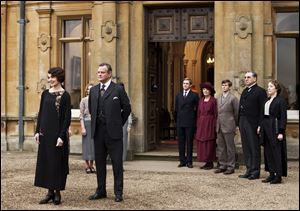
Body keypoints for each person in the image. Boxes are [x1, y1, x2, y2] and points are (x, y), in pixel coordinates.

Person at [88, 63, 131, 202]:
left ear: (109, 74)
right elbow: (91, 109)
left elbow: (127, 108)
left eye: (102, 72)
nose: (99, 74)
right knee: (99, 164)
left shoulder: (117, 89)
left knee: (117, 164)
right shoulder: (94, 90)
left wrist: (118, 124)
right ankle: (101, 190)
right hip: (98, 132)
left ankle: (118, 193)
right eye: (98, 72)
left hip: (114, 133)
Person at [34, 67, 71, 205]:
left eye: (51, 77)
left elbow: (66, 118)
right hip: (45, 135)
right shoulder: (45, 94)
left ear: (59, 77)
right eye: (48, 77)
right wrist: (37, 132)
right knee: (46, 163)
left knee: (57, 164)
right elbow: (41, 113)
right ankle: (49, 192)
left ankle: (57, 193)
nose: (49, 80)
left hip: (57, 135)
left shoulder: (65, 95)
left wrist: (62, 136)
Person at [238, 71, 267, 180]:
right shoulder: (245, 91)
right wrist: (238, 123)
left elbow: (262, 110)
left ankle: (255, 172)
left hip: (253, 123)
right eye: (245, 77)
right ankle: (249, 170)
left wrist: (260, 125)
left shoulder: (260, 92)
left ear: (255, 78)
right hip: (243, 121)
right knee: (246, 147)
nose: (246, 79)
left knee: (254, 147)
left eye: (248, 77)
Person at [260, 80, 288, 184]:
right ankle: (271, 174)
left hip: (275, 127)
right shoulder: (266, 100)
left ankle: (278, 175)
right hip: (266, 126)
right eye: (268, 86)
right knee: (268, 151)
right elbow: (262, 115)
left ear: (276, 88)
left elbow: (283, 117)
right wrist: (260, 126)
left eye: (271, 86)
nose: (268, 88)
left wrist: (281, 131)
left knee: (276, 151)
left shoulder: (281, 101)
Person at [215, 79, 239, 175]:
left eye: (226, 85)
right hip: (219, 125)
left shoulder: (233, 98)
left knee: (230, 147)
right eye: (223, 85)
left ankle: (231, 166)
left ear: (229, 86)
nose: (224, 87)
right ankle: (222, 165)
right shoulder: (218, 97)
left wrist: (236, 125)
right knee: (221, 147)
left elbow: (236, 113)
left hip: (229, 125)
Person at [174, 78, 199, 168]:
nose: (185, 85)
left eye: (187, 83)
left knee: (189, 142)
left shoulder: (194, 95)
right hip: (180, 122)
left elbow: (197, 109)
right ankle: (182, 161)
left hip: (190, 122)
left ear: (190, 85)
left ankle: (189, 161)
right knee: (181, 142)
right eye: (184, 83)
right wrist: (176, 122)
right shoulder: (178, 95)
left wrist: (195, 121)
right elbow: (176, 109)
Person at [195, 82, 217, 170]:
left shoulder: (213, 100)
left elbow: (216, 114)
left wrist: (215, 125)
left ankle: (210, 162)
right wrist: (198, 124)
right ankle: (205, 161)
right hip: (201, 123)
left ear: (210, 91)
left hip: (210, 123)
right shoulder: (200, 100)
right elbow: (198, 113)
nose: (205, 91)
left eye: (207, 90)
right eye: (204, 89)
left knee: (209, 142)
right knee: (202, 142)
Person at [80, 83, 96, 174]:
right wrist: (82, 127)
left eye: (92, 89)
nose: (90, 91)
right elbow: (81, 115)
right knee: (86, 145)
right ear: (86, 91)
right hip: (86, 123)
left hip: (94, 124)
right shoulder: (83, 100)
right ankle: (86, 165)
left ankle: (92, 164)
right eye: (88, 89)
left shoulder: (96, 100)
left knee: (93, 145)